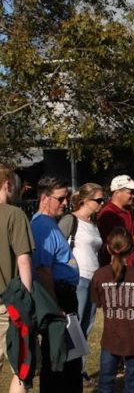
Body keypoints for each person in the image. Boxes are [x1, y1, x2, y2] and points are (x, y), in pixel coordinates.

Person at [30, 176, 83, 391]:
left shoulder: (48, 224)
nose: (65, 203)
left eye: (67, 198)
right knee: (59, 357)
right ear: (44, 198)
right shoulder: (43, 226)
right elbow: (43, 270)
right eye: (60, 198)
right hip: (57, 297)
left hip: (62, 295)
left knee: (69, 356)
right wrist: (55, 306)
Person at [91, 227, 134, 393]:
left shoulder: (99, 275)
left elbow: (97, 302)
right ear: (131, 249)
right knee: (133, 384)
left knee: (105, 383)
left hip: (111, 337)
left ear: (107, 248)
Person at [57, 182, 104, 386]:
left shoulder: (93, 223)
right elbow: (57, 247)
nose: (102, 203)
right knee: (73, 326)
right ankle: (69, 369)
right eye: (99, 200)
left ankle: (79, 370)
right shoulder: (70, 220)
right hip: (77, 279)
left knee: (87, 326)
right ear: (85, 200)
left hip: (93, 280)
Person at [0, 164, 34, 393]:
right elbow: (23, 260)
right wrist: (28, 299)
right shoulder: (14, 214)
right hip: (8, 304)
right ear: (7, 184)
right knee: (20, 368)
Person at [97, 175, 134, 267]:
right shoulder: (108, 214)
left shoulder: (127, 211)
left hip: (132, 266)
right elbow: (112, 244)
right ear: (117, 193)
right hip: (118, 269)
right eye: (131, 192)